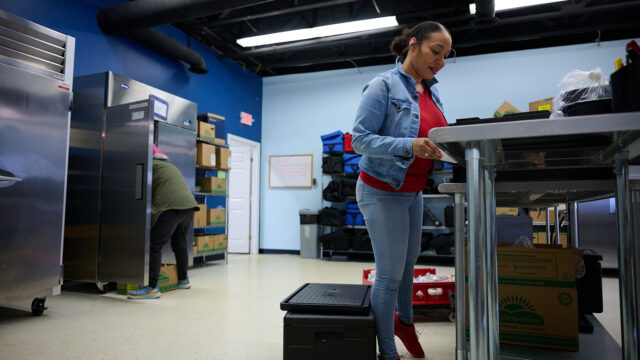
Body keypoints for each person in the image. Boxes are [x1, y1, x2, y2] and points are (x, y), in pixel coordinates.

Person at [351, 21, 452, 360]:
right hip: (381, 190)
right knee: (389, 275)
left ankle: (405, 323)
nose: (439, 61)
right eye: (435, 52)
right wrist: (410, 144)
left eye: (445, 56)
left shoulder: (431, 90)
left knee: (409, 264)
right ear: (413, 45)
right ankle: (387, 353)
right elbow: (360, 140)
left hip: (413, 190)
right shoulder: (383, 85)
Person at [128, 144, 200, 299]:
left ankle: (151, 287)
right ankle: (183, 279)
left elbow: (140, 190)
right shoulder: (167, 165)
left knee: (154, 244)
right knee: (179, 243)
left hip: (172, 207)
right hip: (188, 206)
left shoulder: (149, 166)